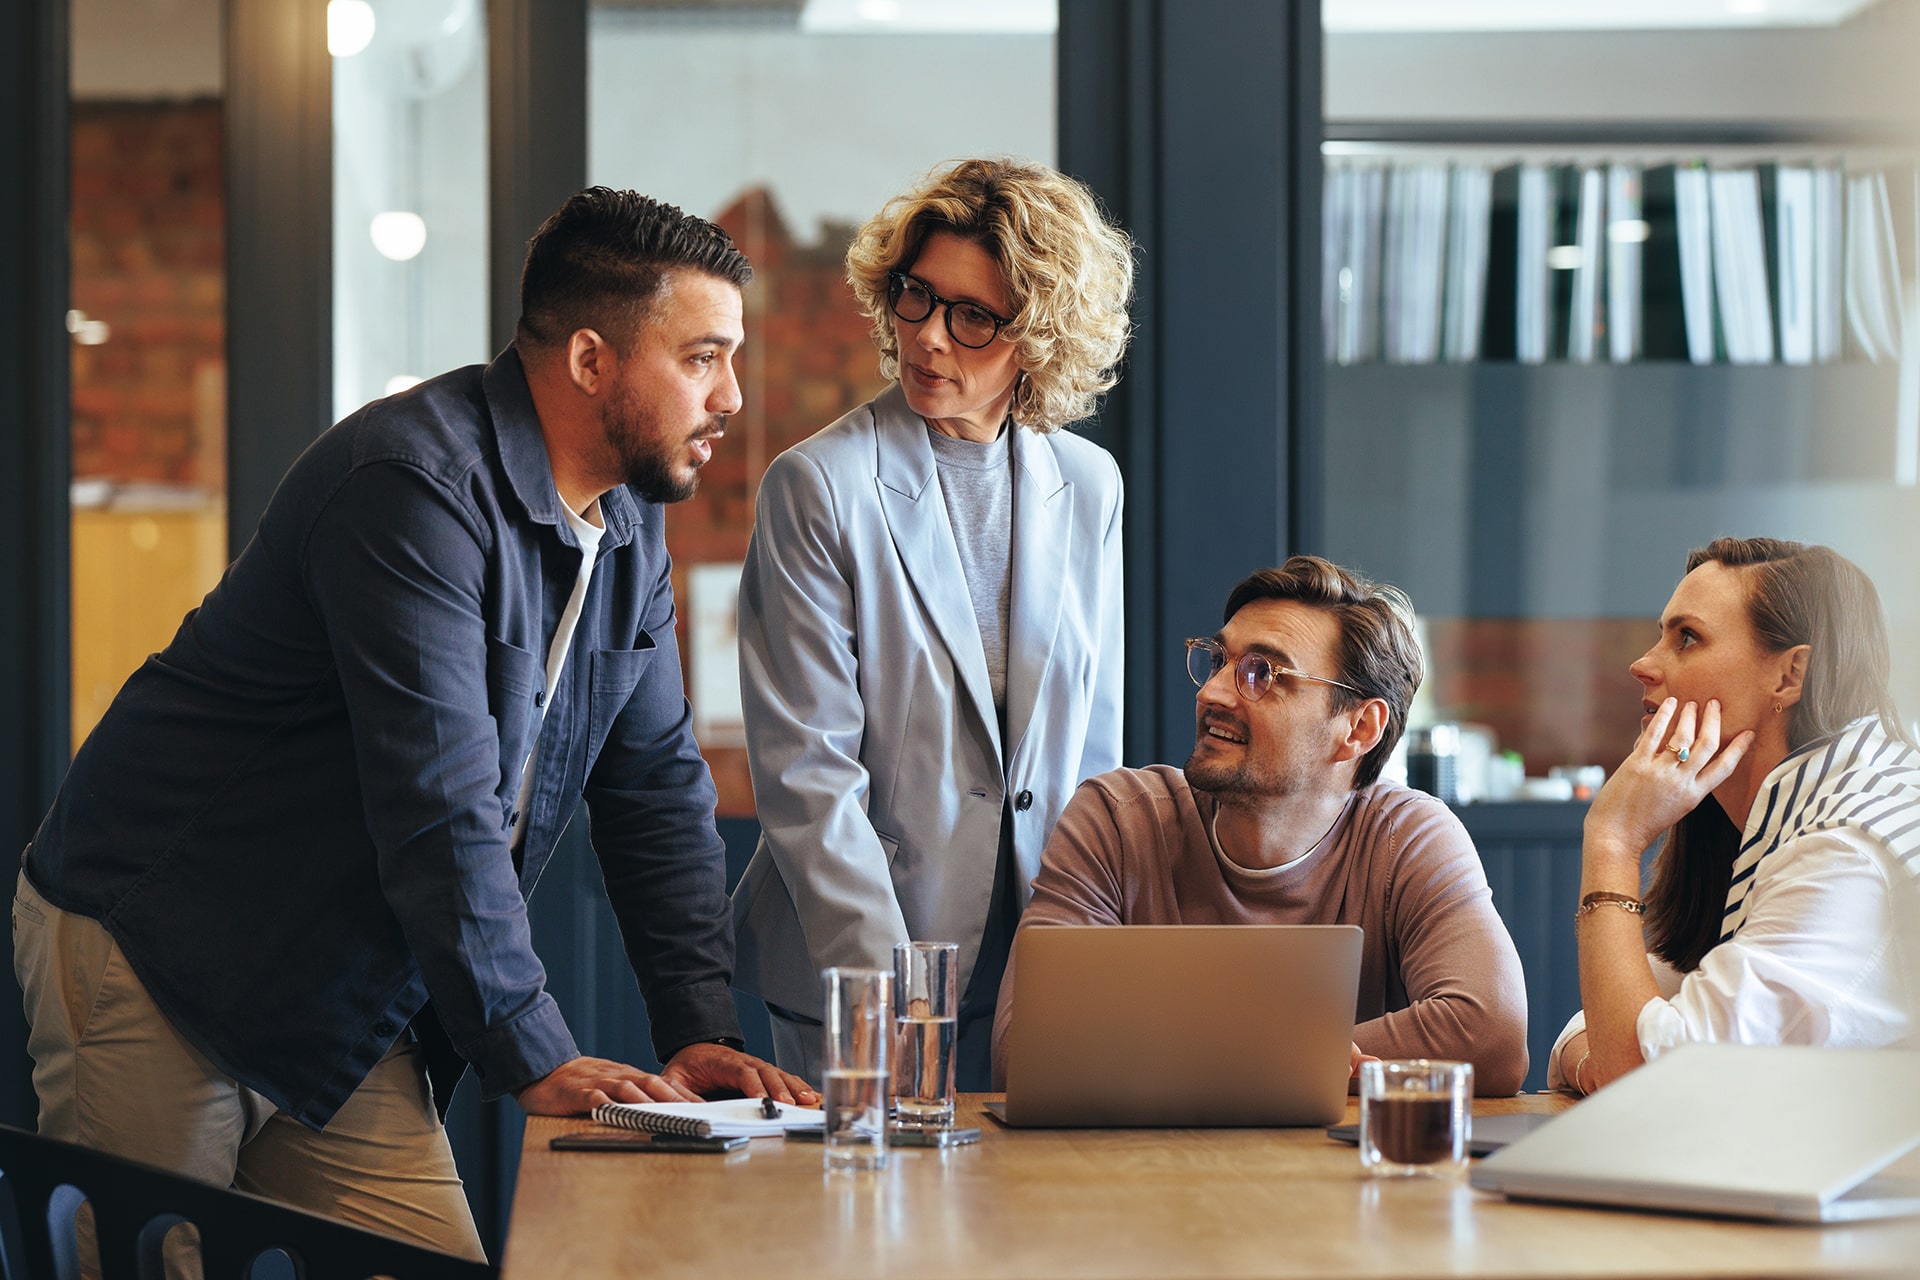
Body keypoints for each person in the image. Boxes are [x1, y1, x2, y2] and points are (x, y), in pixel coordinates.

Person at [12, 188, 813, 1261]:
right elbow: (440, 804)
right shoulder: (412, 488)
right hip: (165, 948)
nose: (730, 395)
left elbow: (656, 787)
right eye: (703, 358)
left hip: (338, 982)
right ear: (589, 360)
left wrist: (699, 1031)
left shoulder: (626, 530)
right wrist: (535, 1052)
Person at [730, 158, 1135, 1088]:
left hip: (1040, 956)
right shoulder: (818, 486)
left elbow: (1091, 753)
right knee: (871, 1228)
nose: (929, 339)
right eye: (916, 298)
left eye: (973, 317)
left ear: (1040, 335)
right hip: (864, 962)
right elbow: (808, 776)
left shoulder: (1090, 486)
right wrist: (888, 999)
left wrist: (1088, 957)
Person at [990, 557, 1530, 1094]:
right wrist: (1298, 1059)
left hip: (1339, 1175)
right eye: (1219, 660)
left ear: (1359, 727)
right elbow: (1026, 1050)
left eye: (1262, 673)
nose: (1212, 693)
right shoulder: (1117, 819)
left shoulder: (1406, 837)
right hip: (1150, 1172)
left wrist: (1188, 1063)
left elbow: (1491, 1035)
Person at [1550, 537, 1920, 1096]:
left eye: (1687, 638)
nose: (1642, 664)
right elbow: (1613, 1029)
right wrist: (1603, 1056)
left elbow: (1655, 1086)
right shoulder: (1783, 811)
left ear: (1789, 676)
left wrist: (1613, 840)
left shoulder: (1845, 854)